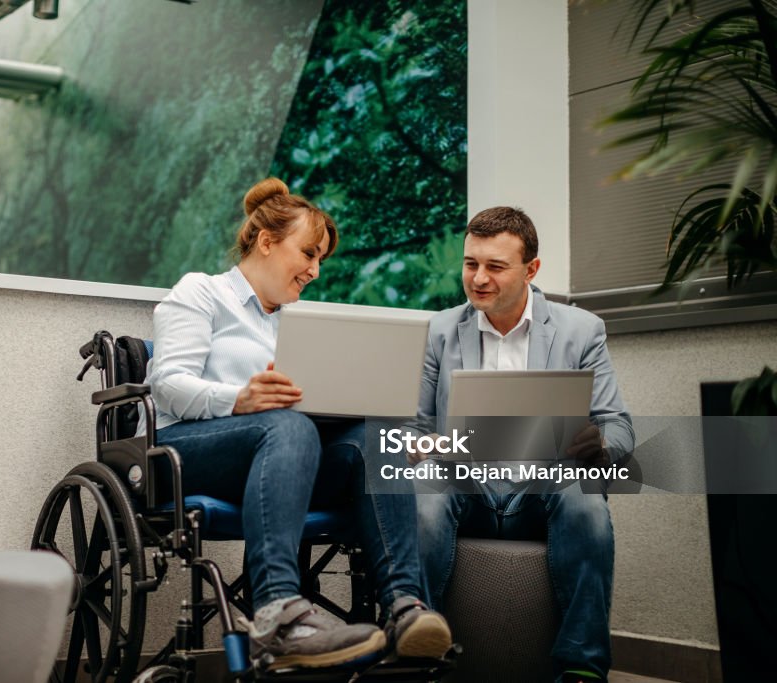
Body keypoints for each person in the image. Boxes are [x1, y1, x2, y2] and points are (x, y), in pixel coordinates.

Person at [144, 177, 452, 670]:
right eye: (308, 253)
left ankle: (405, 607)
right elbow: (168, 385)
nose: (314, 269)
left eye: (320, 260)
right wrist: (239, 398)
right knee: (286, 424)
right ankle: (278, 615)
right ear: (266, 241)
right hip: (187, 451)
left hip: (285, 456)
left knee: (375, 438)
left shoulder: (301, 323)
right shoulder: (201, 292)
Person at [413, 207, 634, 683]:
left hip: (542, 484)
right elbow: (413, 427)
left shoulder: (581, 330)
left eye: (495, 266)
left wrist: (599, 445)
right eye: (471, 264)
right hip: (464, 483)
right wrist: (420, 446)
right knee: (423, 497)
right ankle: (418, 656)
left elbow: (617, 425)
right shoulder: (439, 330)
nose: (479, 278)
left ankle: (581, 667)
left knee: (585, 500)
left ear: (532, 270)